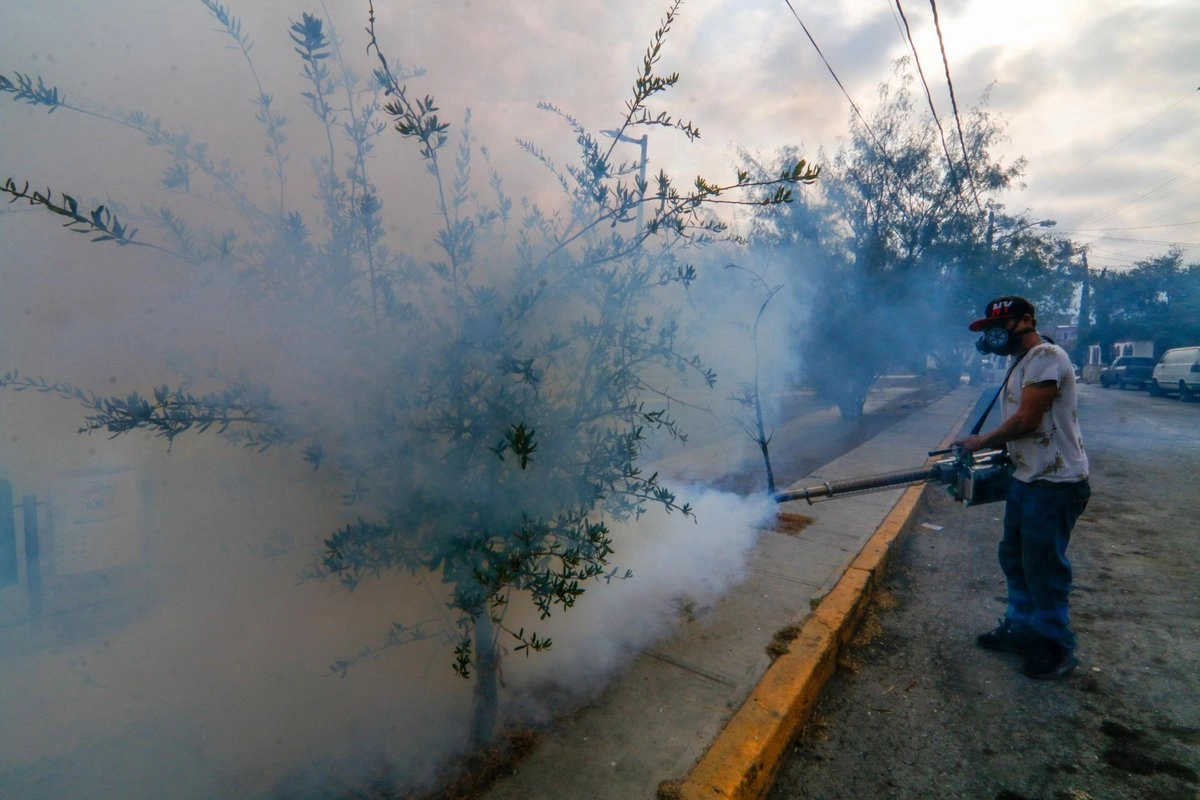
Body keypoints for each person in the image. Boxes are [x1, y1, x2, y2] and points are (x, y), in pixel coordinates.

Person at [954, 296, 1090, 680]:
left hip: (1055, 483)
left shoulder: (1046, 355)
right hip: (1027, 479)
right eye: (990, 329)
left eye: (1003, 325)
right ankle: (1021, 627)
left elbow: (1028, 420)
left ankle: (1056, 646)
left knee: (1043, 568)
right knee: (1014, 557)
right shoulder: (1019, 363)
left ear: (1027, 321)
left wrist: (981, 441)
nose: (994, 335)